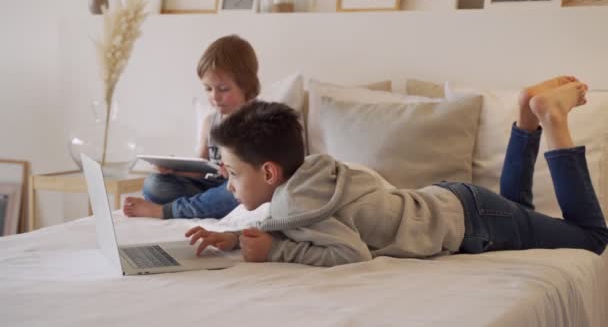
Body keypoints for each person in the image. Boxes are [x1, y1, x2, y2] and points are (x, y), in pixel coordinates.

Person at [185, 76, 608, 267]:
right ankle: (525, 114)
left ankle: (552, 118)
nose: (230, 184)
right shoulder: (314, 175)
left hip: (471, 222)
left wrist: (275, 251)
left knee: (592, 239)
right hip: (462, 204)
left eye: (234, 174)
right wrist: (237, 237)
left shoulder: (297, 198)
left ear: (271, 172)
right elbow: (302, 223)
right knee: (515, 209)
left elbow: (349, 252)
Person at [123, 35, 260, 220]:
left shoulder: (259, 120)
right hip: (208, 187)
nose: (215, 97)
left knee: (239, 195)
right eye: (208, 89)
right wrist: (174, 170)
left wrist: (235, 172)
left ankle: (165, 211)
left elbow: (261, 175)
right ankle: (200, 205)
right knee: (154, 184)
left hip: (235, 190)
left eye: (223, 89)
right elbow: (202, 169)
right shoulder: (211, 121)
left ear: (247, 85)